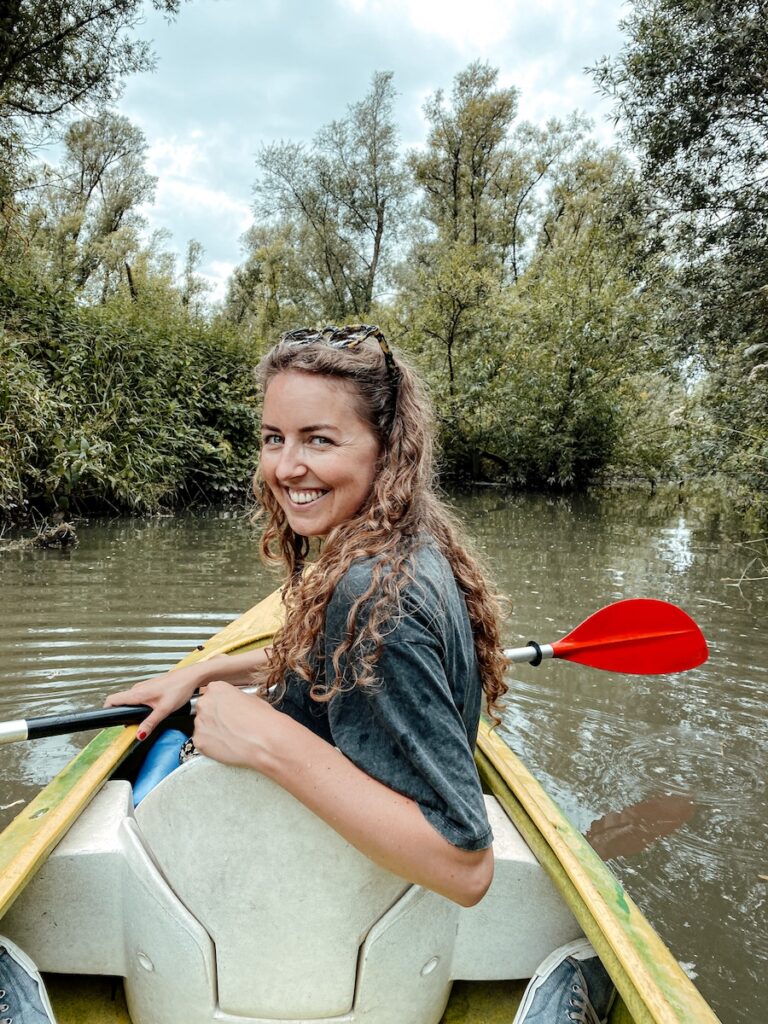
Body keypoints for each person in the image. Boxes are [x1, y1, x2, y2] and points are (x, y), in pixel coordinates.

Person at [105, 324, 507, 908]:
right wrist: (206, 671)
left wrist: (268, 739)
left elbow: (466, 869)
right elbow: (336, 658)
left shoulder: (376, 594)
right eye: (274, 438)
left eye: (318, 440)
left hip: (321, 898)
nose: (287, 467)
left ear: (387, 449)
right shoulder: (407, 545)